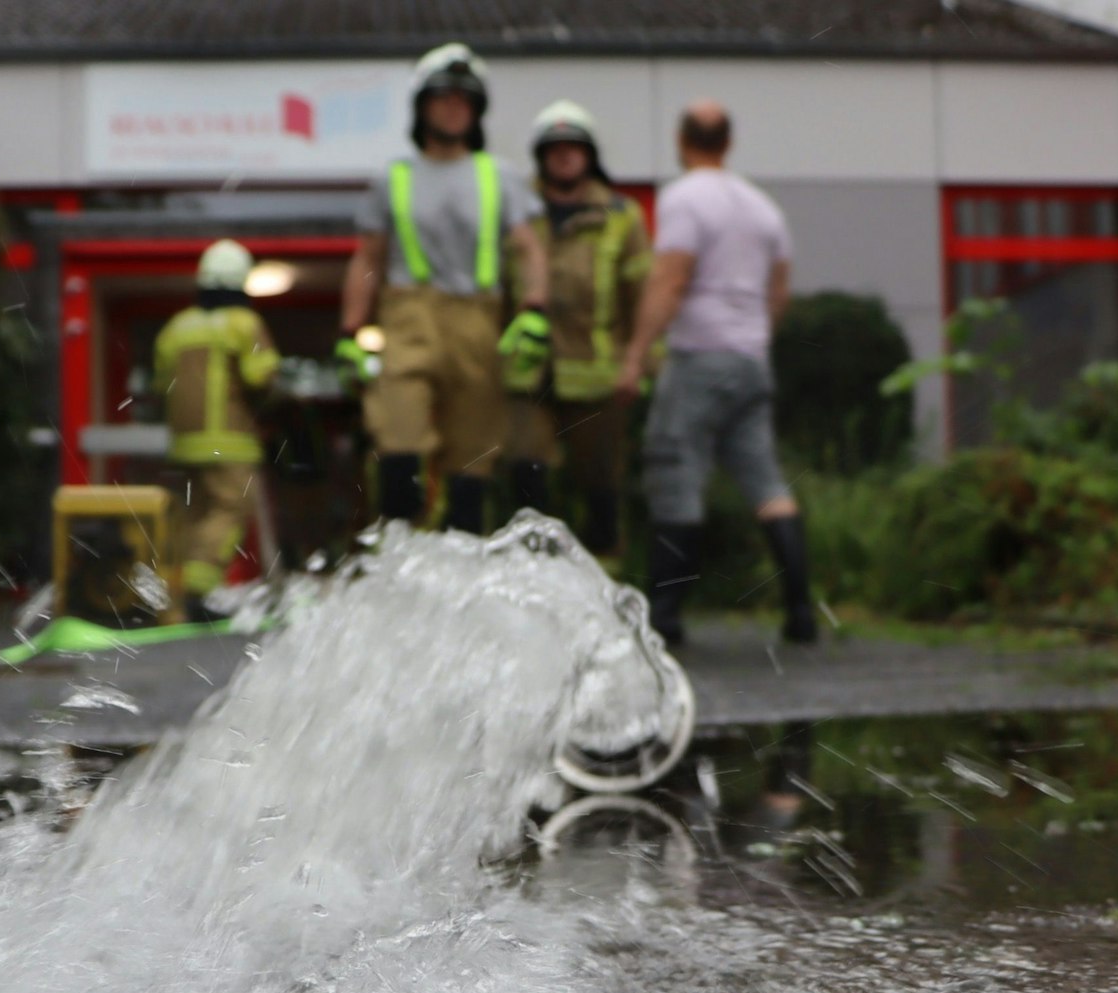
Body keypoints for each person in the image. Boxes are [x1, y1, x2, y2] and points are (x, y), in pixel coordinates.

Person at [619, 100, 816, 646]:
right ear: (728, 143)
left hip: (698, 357)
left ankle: (665, 617)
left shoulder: (683, 199)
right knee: (767, 482)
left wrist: (636, 351)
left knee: (675, 472)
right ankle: (800, 612)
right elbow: (779, 292)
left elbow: (670, 280)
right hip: (751, 361)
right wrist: (753, 338)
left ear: (681, 142)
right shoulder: (763, 207)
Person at [338, 42, 549, 534]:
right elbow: (367, 257)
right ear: (422, 107)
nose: (454, 107)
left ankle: (462, 571)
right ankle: (398, 559)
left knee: (472, 460)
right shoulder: (393, 178)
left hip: (477, 321)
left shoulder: (498, 176)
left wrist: (534, 309)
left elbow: (528, 249)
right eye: (443, 97)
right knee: (399, 442)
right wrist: (350, 330)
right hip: (408, 317)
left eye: (464, 100)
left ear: (476, 112)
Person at [501, 99, 653, 568]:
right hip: (527, 375)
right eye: (554, 149)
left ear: (590, 156)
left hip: (597, 378)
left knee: (600, 488)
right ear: (540, 157)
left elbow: (641, 296)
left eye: (574, 148)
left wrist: (638, 363)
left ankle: (605, 589)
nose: (564, 157)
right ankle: (528, 582)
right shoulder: (518, 214)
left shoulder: (621, 216)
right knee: (526, 475)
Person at [156, 238, 279, 623]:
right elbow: (261, 378)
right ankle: (198, 593)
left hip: (185, 444)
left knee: (195, 515)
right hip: (231, 443)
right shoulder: (244, 324)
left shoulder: (177, 327)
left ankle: (177, 596)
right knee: (230, 510)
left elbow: (161, 383)